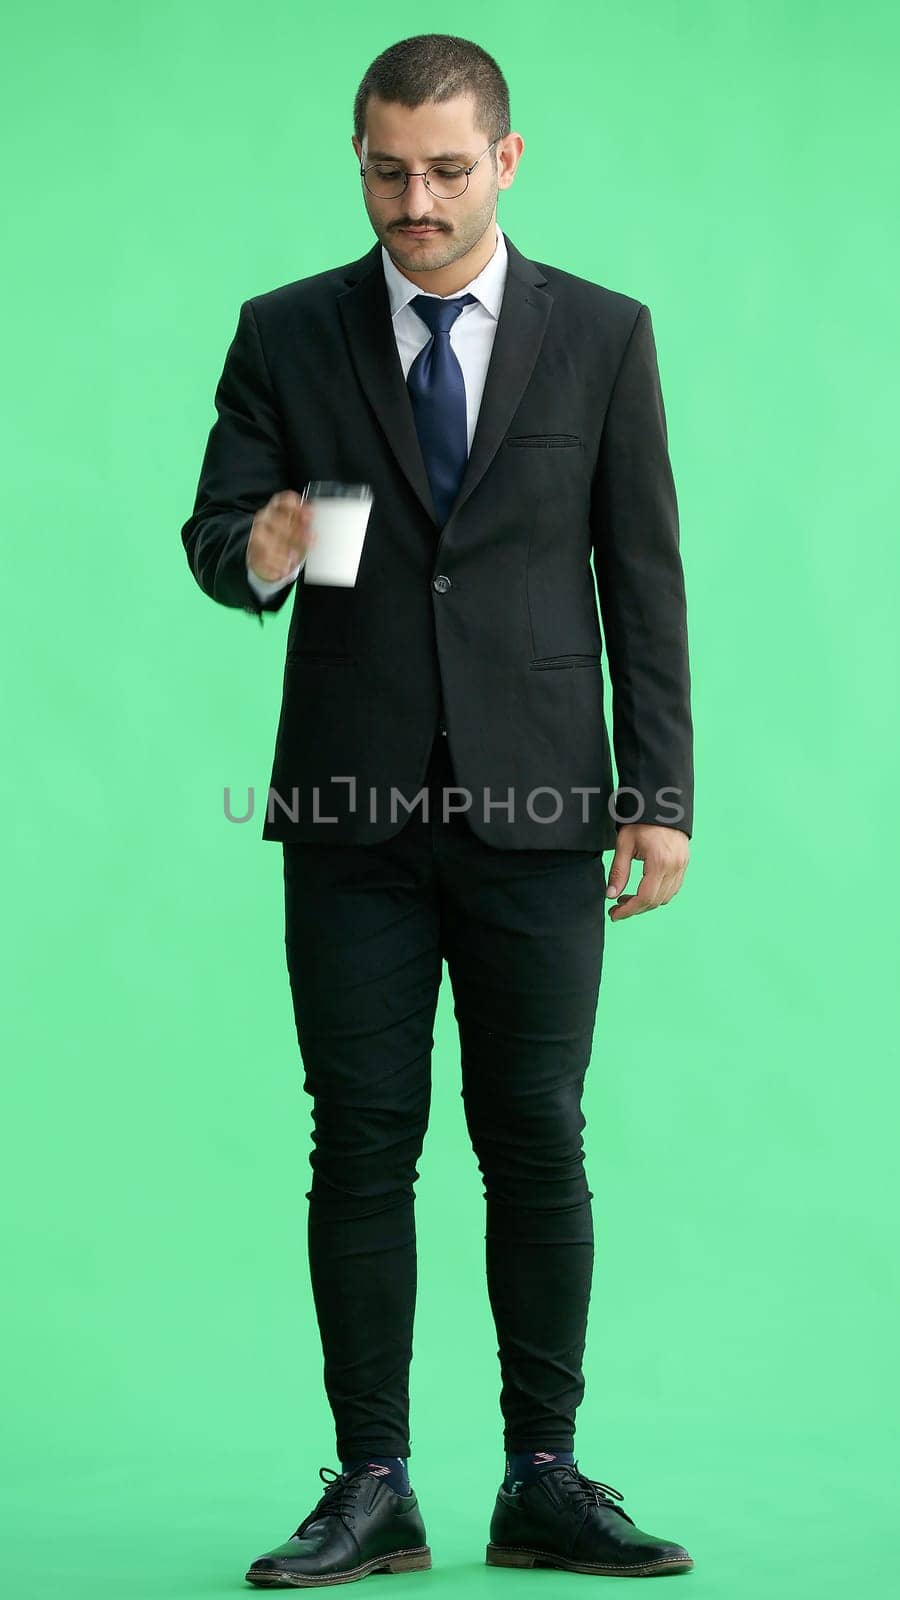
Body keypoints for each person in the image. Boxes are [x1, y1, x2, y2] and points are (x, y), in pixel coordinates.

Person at [181, 32, 695, 1586]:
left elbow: (644, 576)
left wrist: (657, 795)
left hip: (542, 810)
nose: (418, 201)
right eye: (389, 171)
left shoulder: (601, 336)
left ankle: (545, 1475)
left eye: (448, 170)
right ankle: (375, 1483)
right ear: (360, 161)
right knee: (362, 1142)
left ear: (508, 161)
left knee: (536, 1135)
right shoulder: (289, 332)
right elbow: (222, 542)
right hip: (351, 821)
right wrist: (268, 543)